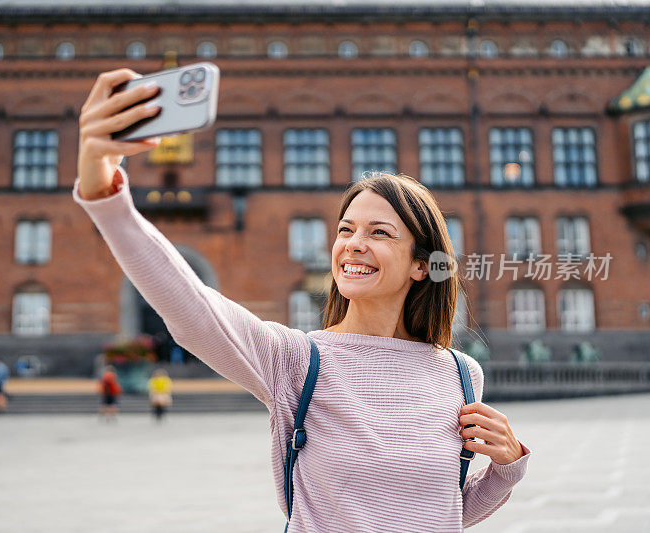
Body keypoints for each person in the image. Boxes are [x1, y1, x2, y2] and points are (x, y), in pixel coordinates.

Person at [73, 68, 532, 532]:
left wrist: (508, 467)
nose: (352, 244)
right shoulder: (297, 361)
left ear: (420, 264)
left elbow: (442, 512)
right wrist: (104, 190)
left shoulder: (460, 374)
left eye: (379, 233)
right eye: (346, 230)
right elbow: (192, 309)